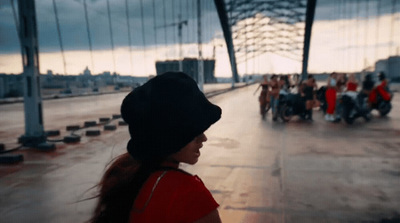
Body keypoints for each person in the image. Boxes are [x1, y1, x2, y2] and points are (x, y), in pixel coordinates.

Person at [89, 72, 222, 223]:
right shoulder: (189, 194)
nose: (203, 138)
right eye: (194, 132)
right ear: (169, 135)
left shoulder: (126, 178)